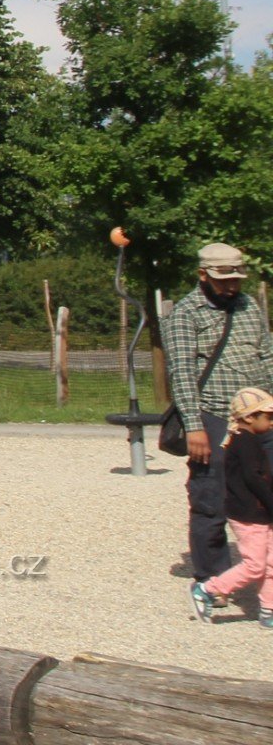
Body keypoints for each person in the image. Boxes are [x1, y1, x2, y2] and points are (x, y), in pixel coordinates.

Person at [164, 241, 273, 584]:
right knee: (210, 496)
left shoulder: (249, 306)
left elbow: (267, 354)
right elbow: (181, 372)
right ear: (203, 275)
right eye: (223, 280)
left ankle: (263, 567)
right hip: (212, 414)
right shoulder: (186, 313)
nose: (231, 286)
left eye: (236, 279)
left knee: (262, 489)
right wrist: (194, 426)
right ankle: (213, 578)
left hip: (259, 416)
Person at [192, 386, 273, 626]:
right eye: (268, 417)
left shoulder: (250, 439)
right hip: (249, 514)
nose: (272, 422)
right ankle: (207, 589)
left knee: (271, 563)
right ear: (249, 417)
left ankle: (269, 609)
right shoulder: (245, 443)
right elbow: (253, 478)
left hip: (262, 512)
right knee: (255, 565)